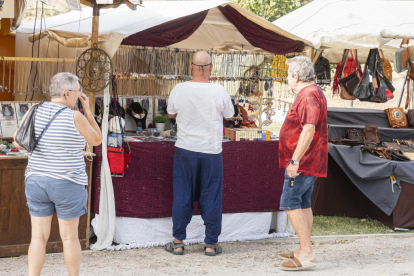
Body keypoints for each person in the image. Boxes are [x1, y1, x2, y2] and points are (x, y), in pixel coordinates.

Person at [13, 72, 102, 276]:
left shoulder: (33, 111)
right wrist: (88, 111)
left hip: (36, 180)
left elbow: (17, 141)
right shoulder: (75, 116)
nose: (80, 96)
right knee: (69, 237)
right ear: (67, 93)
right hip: (67, 181)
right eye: (78, 92)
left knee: (38, 236)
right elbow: (97, 140)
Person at [165, 51, 234, 256]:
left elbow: (170, 113)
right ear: (211, 67)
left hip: (185, 149)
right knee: (211, 196)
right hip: (211, 151)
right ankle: (211, 244)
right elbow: (229, 115)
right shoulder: (219, 91)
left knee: (182, 195)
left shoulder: (179, 89)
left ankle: (178, 242)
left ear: (190, 66)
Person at [277, 56, 328, 271]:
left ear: (296, 77)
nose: (287, 79)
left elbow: (308, 129)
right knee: (303, 203)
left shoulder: (308, 96)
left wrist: (295, 161)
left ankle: (307, 251)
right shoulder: (313, 92)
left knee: (290, 203)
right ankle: (303, 248)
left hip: (304, 161)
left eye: (288, 75)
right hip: (309, 160)